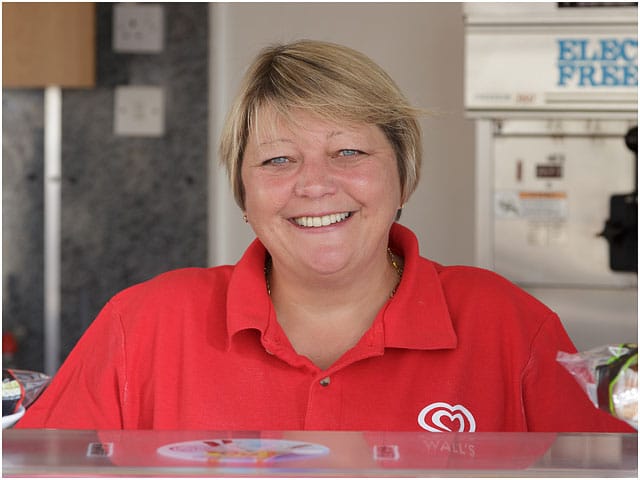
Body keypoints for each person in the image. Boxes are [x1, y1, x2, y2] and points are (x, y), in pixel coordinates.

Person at [17, 40, 633, 432]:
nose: (315, 185)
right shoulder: (143, 324)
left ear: (402, 173)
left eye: (349, 151)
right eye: (277, 160)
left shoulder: (509, 325)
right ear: (245, 192)